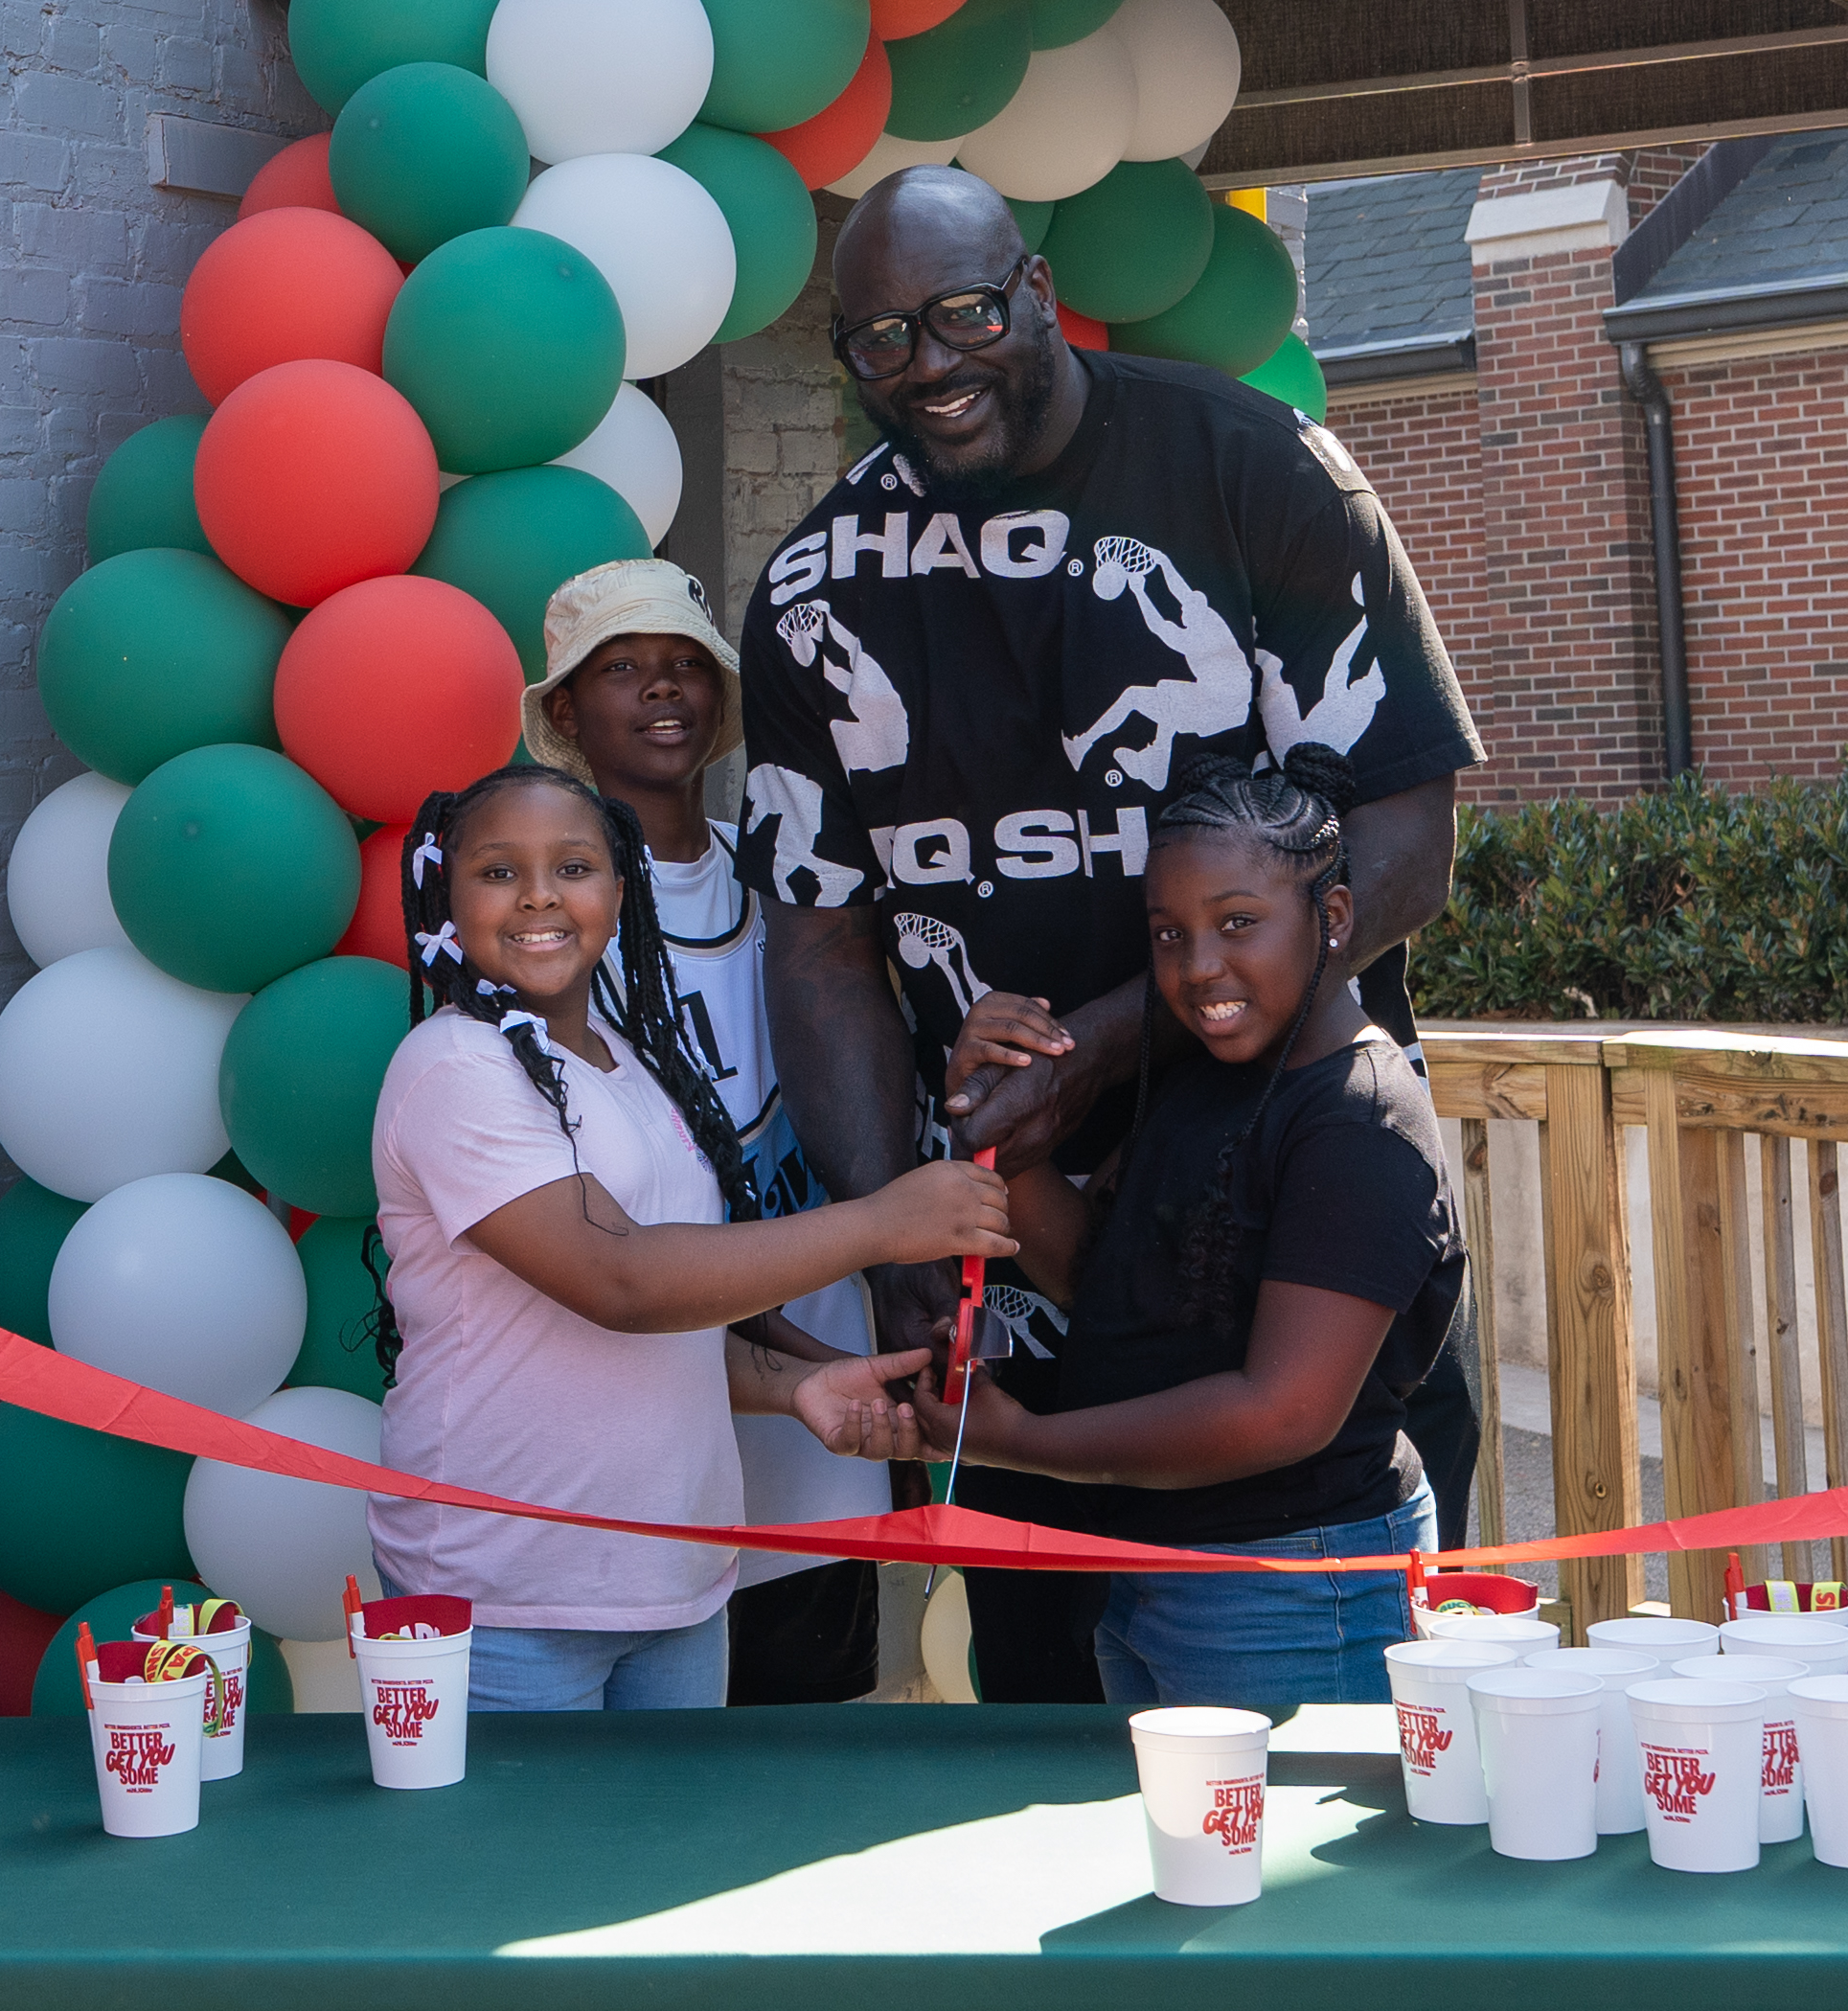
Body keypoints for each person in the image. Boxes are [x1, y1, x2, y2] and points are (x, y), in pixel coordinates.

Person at [740, 165, 1487, 1700]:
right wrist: (893, 1230)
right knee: (1042, 1743)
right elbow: (819, 946)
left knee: (1346, 1762)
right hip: (1012, 1288)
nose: (930, 365)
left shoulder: (1255, 472)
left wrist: (1100, 1049)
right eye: (880, 340)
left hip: (1297, 1253)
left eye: (960, 314)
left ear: (1033, 287)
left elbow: (1407, 846)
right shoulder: (818, 588)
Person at [362, 762, 1013, 1711]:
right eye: (499, 871)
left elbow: (670, 1321)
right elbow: (620, 1280)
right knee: (513, 1867)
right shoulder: (454, 1064)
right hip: (503, 1592)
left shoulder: (628, 1059)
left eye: (573, 866)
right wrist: (881, 1219)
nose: (540, 893)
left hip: (673, 1579)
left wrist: (799, 1386)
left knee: (665, 1863)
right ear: (446, 900)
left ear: (620, 891)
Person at [860, 750, 1461, 1711]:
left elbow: (1282, 1409)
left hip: (1293, 1585)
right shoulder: (1209, 1078)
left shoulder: (1358, 1119)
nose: (1198, 966)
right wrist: (997, 1133)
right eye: (1168, 934)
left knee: (1276, 1858)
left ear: (1334, 918)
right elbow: (1101, 1275)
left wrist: (1025, 1442)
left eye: (1236, 923)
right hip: (1154, 1567)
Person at [521, 558, 895, 1705]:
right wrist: (812, 1361)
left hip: (828, 1402)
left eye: (687, 664)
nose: (662, 689)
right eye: (622, 668)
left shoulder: (787, 865)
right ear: (567, 712)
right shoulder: (551, 908)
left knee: (806, 1734)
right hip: (668, 1399)